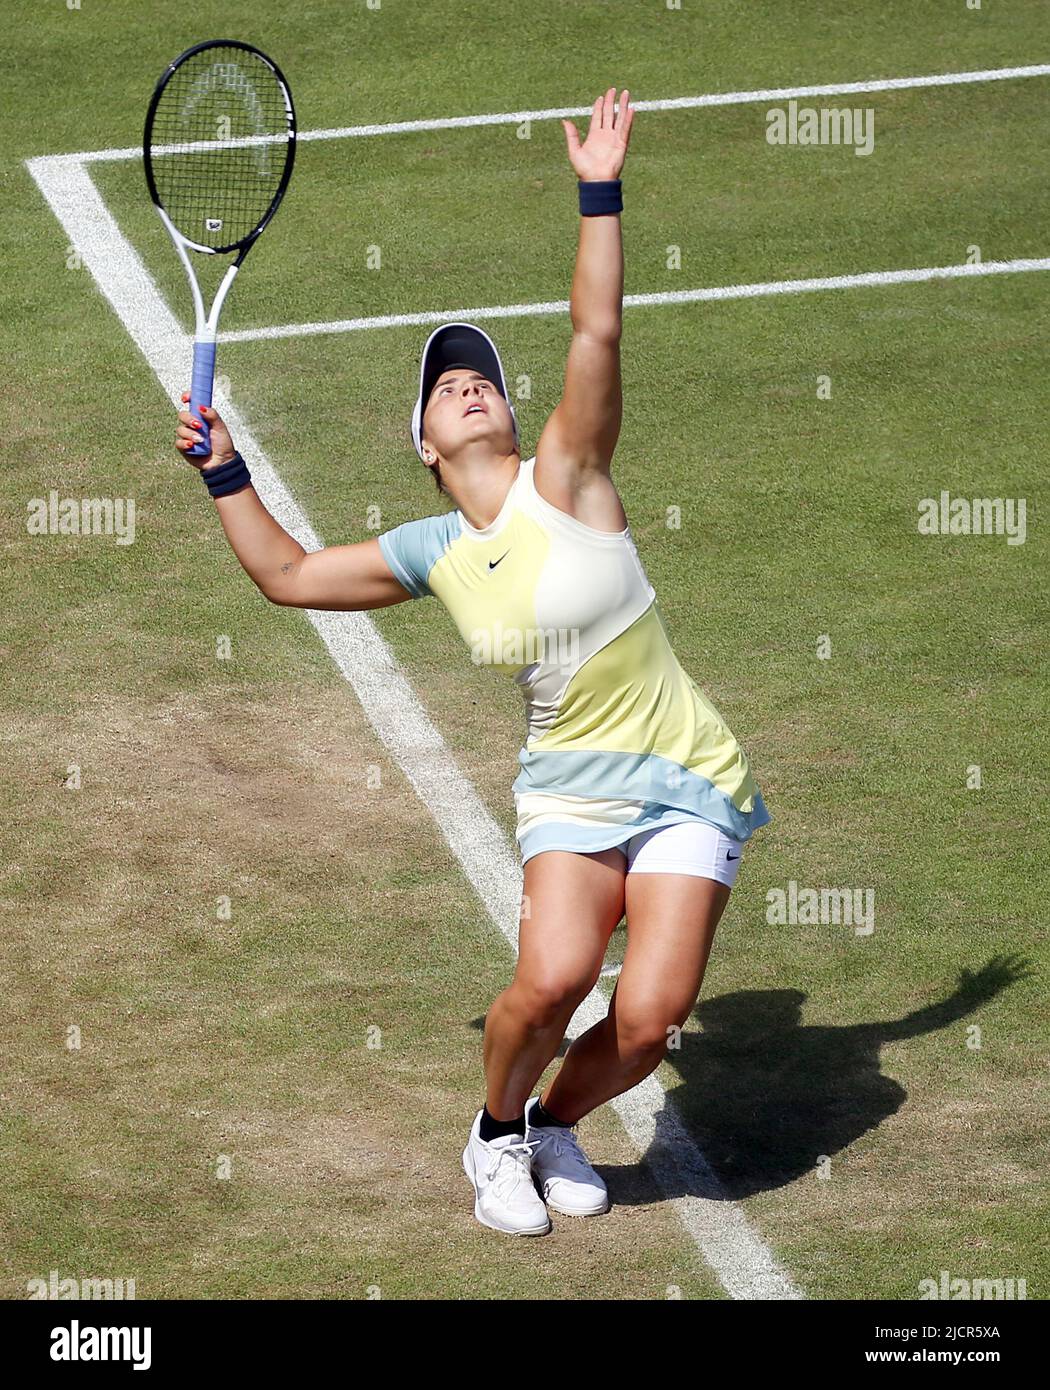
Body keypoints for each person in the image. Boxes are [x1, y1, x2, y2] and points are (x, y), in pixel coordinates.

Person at [174, 87, 770, 1238]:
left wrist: (600, 190)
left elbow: (596, 332)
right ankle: (496, 1133)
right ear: (425, 444)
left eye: (481, 374)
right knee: (550, 983)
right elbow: (290, 577)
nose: (466, 382)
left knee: (648, 1019)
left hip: (686, 770)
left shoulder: (571, 473)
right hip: (568, 792)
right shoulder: (433, 549)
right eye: (444, 385)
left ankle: (554, 1121)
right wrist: (224, 471)